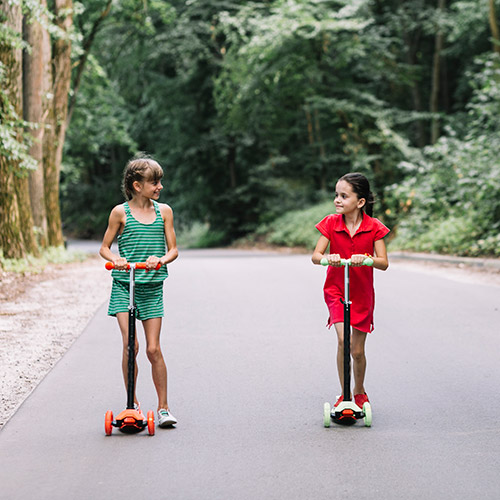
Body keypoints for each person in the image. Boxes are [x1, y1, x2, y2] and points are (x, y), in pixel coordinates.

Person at [100, 155, 178, 427]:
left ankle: (164, 408)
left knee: (153, 349)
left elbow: (173, 250)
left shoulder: (164, 211)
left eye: (160, 182)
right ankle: (131, 404)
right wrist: (117, 259)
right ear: (136, 185)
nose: (160, 187)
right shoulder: (119, 213)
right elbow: (104, 248)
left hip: (152, 286)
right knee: (129, 345)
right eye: (154, 182)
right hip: (125, 286)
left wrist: (162, 259)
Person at [311, 172, 389, 410]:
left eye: (344, 196)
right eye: (336, 195)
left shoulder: (374, 227)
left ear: (360, 201)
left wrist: (367, 259)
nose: (337, 200)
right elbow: (315, 256)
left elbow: (383, 262)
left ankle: (359, 391)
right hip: (336, 289)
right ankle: (344, 395)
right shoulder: (331, 223)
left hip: (362, 293)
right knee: (344, 340)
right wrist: (328, 258)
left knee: (357, 350)